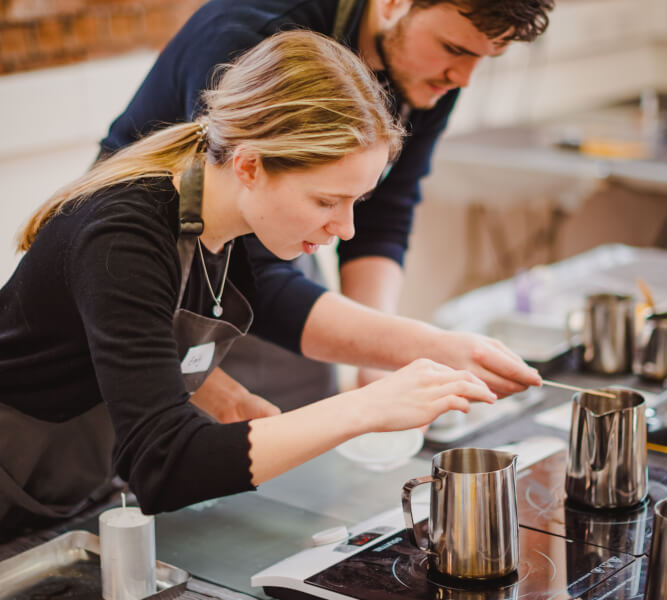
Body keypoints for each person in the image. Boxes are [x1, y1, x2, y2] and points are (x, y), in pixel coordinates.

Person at [0, 31, 537, 535]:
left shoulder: (227, 222)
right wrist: (366, 408)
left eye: (356, 202)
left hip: (77, 489)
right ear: (251, 166)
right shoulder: (123, 237)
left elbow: (137, 343)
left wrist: (211, 391)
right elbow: (163, 464)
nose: (344, 228)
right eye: (326, 201)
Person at [100, 0, 555, 409]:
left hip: (267, 251)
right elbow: (258, 276)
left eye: (485, 58)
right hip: (155, 263)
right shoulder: (252, 35)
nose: (464, 78)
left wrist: (375, 363)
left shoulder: (430, 74)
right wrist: (421, 345)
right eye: (455, 49)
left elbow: (386, 209)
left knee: (296, 418)